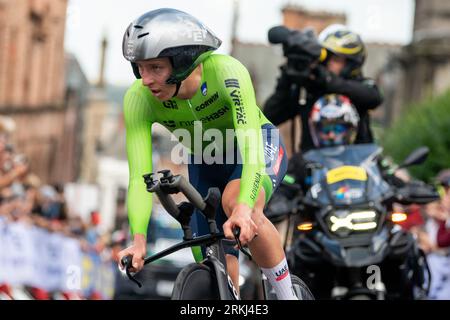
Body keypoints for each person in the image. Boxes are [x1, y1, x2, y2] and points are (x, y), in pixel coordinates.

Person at [117, 8, 297, 299]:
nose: (145, 79)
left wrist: (242, 208)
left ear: (183, 61)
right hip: (205, 161)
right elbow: (139, 178)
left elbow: (251, 150)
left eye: (155, 68)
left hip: (254, 147)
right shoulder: (138, 99)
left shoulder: (227, 72)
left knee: (238, 204)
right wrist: (138, 241)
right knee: (216, 263)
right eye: (139, 67)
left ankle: (287, 294)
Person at [264, 24, 383, 153]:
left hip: (357, 167)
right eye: (327, 59)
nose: (329, 64)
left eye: (336, 59)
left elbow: (374, 97)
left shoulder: (359, 86)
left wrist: (328, 80)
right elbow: (271, 115)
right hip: (313, 168)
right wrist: (287, 79)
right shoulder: (310, 89)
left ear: (351, 64)